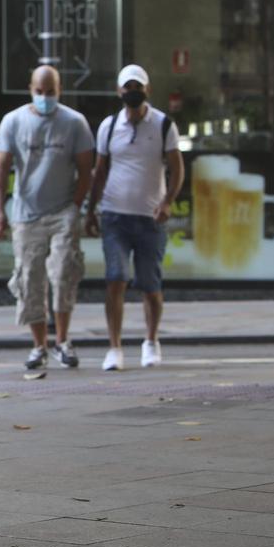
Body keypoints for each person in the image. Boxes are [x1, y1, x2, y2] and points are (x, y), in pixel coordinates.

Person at [0, 65, 95, 370]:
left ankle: (63, 340)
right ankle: (39, 346)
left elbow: (86, 170)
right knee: (30, 279)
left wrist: (76, 207)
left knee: (64, 273)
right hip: (26, 214)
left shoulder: (75, 123)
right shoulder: (13, 121)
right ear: (30, 89)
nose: (45, 98)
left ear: (60, 90)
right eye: (39, 92)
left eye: (51, 92)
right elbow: (0, 169)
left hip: (63, 209)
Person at [86, 64, 184, 370]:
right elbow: (99, 171)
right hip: (115, 215)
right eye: (127, 87)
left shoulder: (164, 125)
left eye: (137, 87)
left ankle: (151, 341)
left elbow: (177, 168)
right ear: (119, 91)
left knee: (150, 285)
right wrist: (90, 209)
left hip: (150, 218)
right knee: (116, 278)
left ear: (148, 90)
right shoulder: (109, 126)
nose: (132, 92)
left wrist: (168, 202)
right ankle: (114, 348)